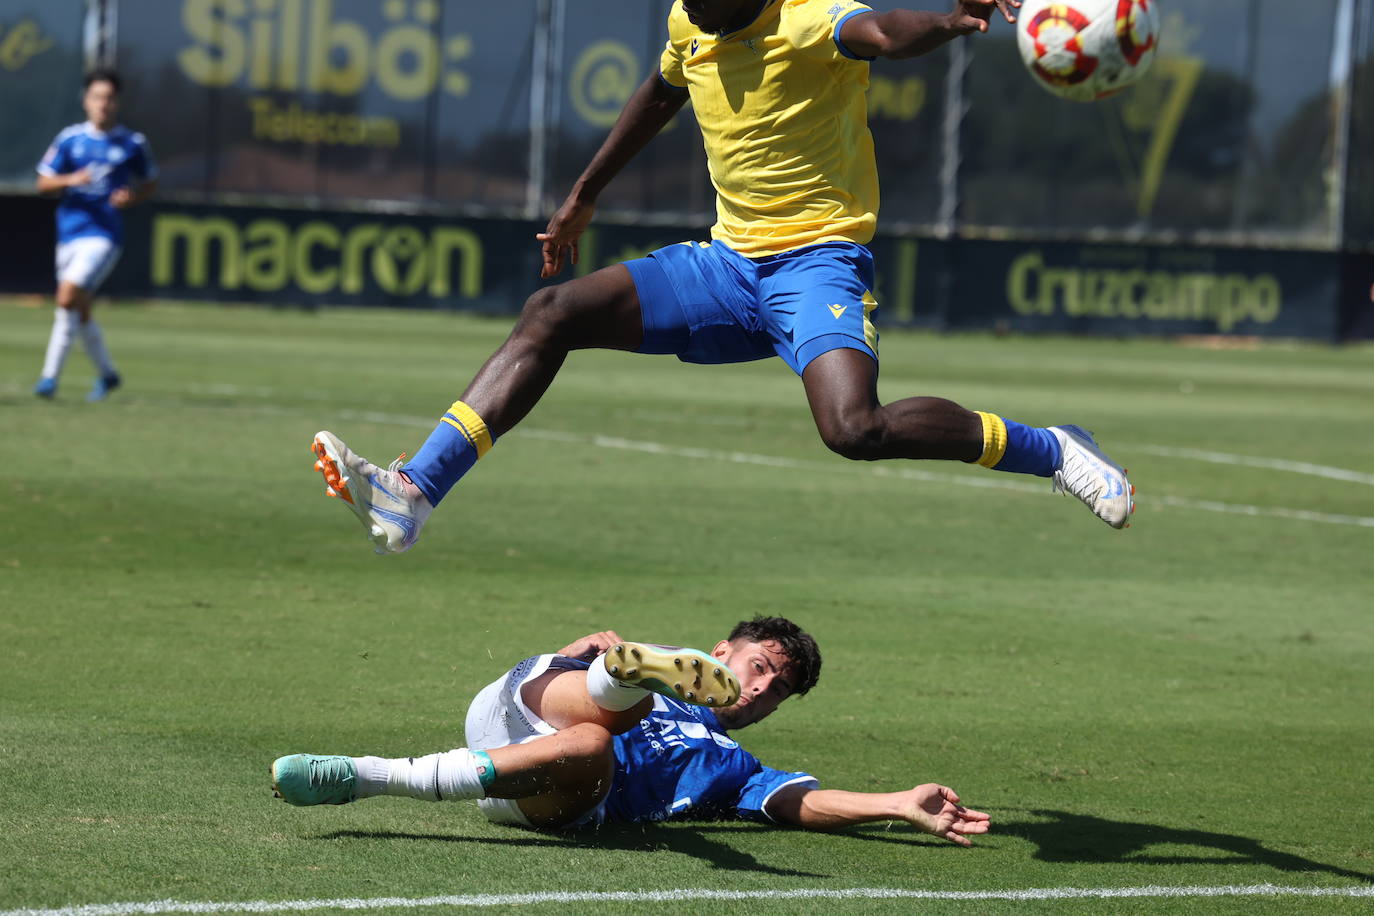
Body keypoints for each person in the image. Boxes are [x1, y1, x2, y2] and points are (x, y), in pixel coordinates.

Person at [310, 0, 1134, 555]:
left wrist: (952, 21)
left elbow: (884, 33)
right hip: (725, 265)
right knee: (551, 312)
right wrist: (582, 196)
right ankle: (414, 490)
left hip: (815, 265)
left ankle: (1052, 449)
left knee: (854, 429)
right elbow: (663, 90)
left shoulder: (813, 21)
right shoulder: (692, 18)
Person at [271, 616, 990, 845]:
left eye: (779, 690)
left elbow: (799, 803)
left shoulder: (735, 768)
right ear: (725, 650)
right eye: (760, 667)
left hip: (549, 786)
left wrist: (896, 802)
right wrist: (578, 656)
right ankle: (615, 672)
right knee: (608, 695)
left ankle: (363, 776)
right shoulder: (674, 690)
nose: (766, 688)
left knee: (596, 741)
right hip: (522, 703)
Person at [33, 68, 157, 402]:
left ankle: (49, 379)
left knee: (65, 297)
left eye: (110, 98)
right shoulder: (70, 139)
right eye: (97, 97)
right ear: (86, 101)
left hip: (104, 236)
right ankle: (108, 374)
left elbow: (149, 184)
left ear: (117, 102)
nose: (103, 104)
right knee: (79, 309)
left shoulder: (132, 143)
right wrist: (71, 180)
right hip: (69, 234)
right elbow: (43, 182)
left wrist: (132, 197)